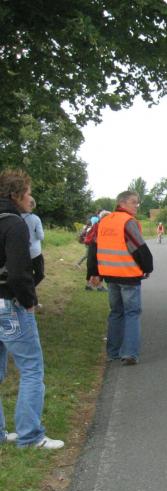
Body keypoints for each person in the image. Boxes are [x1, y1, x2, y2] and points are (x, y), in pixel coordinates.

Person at [0, 169, 63, 449]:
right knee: (31, 369)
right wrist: (29, 301)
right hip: (8, 304)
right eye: (28, 192)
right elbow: (19, 272)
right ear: (16, 195)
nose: (30, 198)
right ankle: (30, 436)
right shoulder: (14, 224)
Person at [88, 191, 153, 366]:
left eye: (137, 202)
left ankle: (112, 352)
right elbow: (138, 247)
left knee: (116, 312)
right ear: (122, 203)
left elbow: (93, 248)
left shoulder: (104, 221)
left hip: (110, 275)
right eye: (133, 202)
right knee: (132, 313)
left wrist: (94, 273)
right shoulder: (128, 222)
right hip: (128, 274)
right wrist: (147, 267)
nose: (136, 206)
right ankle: (130, 353)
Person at [21, 197, 45, 287]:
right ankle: (28, 289)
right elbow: (41, 236)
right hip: (35, 252)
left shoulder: (15, 216)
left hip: (20, 251)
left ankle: (23, 289)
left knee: (25, 273)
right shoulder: (35, 218)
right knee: (40, 274)